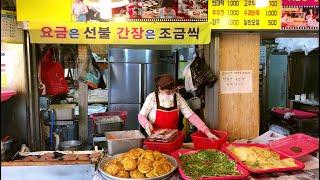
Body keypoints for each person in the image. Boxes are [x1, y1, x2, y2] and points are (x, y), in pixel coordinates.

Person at [138, 74, 219, 139]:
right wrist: (146, 124)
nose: (171, 94)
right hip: (154, 137)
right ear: (160, 89)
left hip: (172, 138)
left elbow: (191, 116)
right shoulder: (152, 97)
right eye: (168, 92)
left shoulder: (178, 98)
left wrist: (207, 131)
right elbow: (141, 116)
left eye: (173, 91)